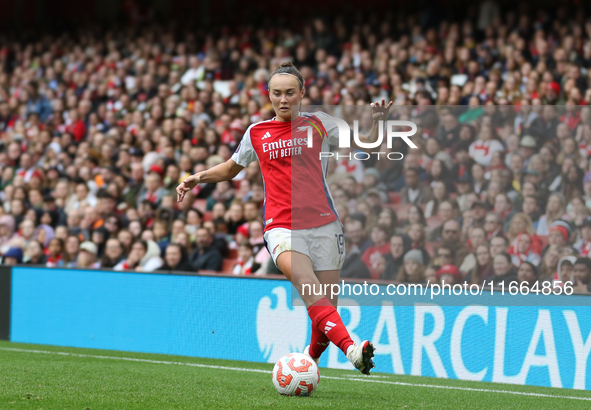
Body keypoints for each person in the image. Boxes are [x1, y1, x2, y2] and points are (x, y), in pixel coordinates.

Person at [176, 62, 384, 374]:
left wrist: (378, 124)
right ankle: (353, 351)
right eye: (276, 93)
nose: (283, 99)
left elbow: (368, 144)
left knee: (325, 313)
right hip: (282, 226)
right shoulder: (257, 132)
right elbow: (232, 167)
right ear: (269, 95)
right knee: (307, 285)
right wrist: (198, 177)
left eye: (289, 93)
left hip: (326, 225)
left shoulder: (320, 123)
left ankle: (307, 362)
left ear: (302, 93)